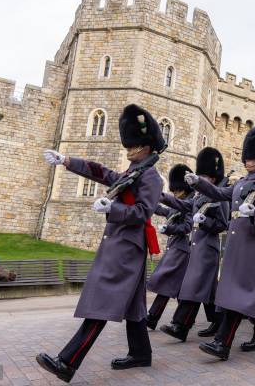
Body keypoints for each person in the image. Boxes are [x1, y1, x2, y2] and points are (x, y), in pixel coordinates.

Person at [36, 104, 165, 383]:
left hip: (128, 249)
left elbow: (143, 213)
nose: (130, 149)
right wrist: (67, 160)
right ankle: (141, 353)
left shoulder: (151, 177)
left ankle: (67, 362)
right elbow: (101, 172)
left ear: (147, 147)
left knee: (103, 303)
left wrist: (112, 209)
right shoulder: (135, 171)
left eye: (136, 145)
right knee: (133, 306)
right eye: (129, 144)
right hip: (121, 246)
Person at [185, 126, 255, 360]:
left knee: (239, 294)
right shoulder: (241, 183)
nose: (250, 163)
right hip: (236, 245)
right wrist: (198, 182)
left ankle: (222, 342)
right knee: (241, 292)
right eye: (248, 158)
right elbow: (220, 193)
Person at [159, 147, 229, 341]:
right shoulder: (199, 197)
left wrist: (204, 221)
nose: (201, 180)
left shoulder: (218, 196)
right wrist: (163, 196)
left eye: (204, 176)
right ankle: (219, 321)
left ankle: (181, 326)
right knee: (207, 290)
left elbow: (222, 224)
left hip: (208, 248)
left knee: (194, 287)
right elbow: (183, 205)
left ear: (213, 179)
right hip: (197, 247)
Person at [146, 164, 194, 330]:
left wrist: (169, 229)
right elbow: (164, 211)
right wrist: (149, 201)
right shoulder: (178, 203)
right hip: (174, 248)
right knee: (179, 288)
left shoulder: (188, 205)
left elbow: (187, 227)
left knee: (166, 282)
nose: (175, 193)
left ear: (184, 189)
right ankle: (184, 321)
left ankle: (152, 317)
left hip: (181, 250)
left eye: (177, 190)